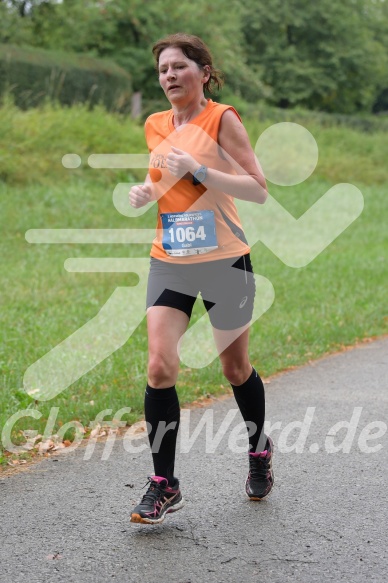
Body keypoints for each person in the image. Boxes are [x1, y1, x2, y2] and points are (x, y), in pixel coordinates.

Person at [128, 33, 273, 525]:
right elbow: (164, 176)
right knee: (159, 366)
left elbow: (258, 190)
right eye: (163, 69)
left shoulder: (222, 119)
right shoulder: (154, 124)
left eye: (179, 67)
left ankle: (258, 449)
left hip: (224, 260)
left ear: (203, 72)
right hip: (170, 257)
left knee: (234, 369)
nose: (169, 76)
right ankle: (164, 483)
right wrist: (147, 191)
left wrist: (200, 171)